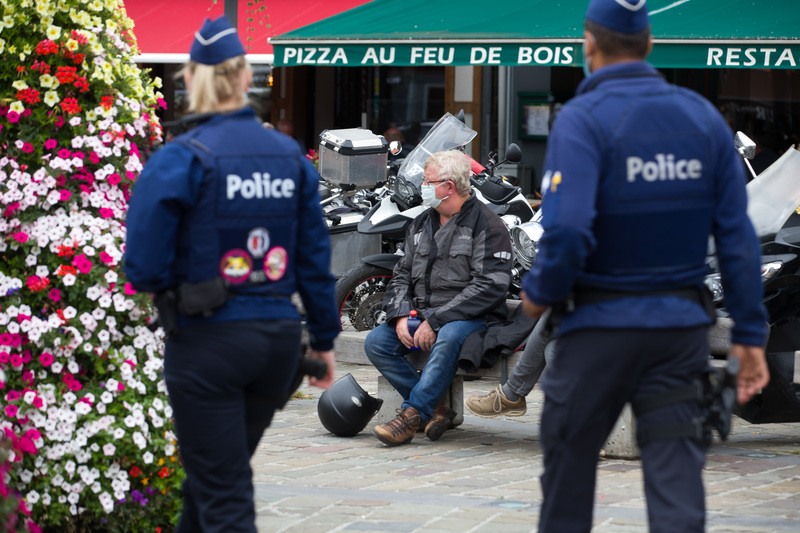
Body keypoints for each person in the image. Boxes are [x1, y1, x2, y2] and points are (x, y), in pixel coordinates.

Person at [519, 2, 771, 532]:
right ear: (650, 43)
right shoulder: (703, 119)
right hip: (677, 334)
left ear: (588, 45)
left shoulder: (583, 120)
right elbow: (736, 236)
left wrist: (539, 290)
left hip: (596, 331)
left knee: (567, 480)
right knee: (677, 482)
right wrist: (749, 332)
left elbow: (566, 231)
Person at [123, 16, 338, 533]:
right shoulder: (289, 157)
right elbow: (314, 258)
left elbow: (143, 268)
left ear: (192, 79)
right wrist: (326, 340)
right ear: (246, 78)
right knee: (213, 478)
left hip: (207, 343)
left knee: (223, 497)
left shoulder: (180, 160)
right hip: (278, 345)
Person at [365, 149, 513, 446]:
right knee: (377, 343)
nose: (423, 186)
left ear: (449, 186)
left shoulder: (488, 225)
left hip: (473, 318)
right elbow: (401, 274)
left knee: (448, 335)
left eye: (429, 181)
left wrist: (435, 320)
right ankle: (434, 409)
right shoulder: (421, 223)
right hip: (422, 314)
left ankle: (410, 417)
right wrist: (400, 315)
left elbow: (491, 286)